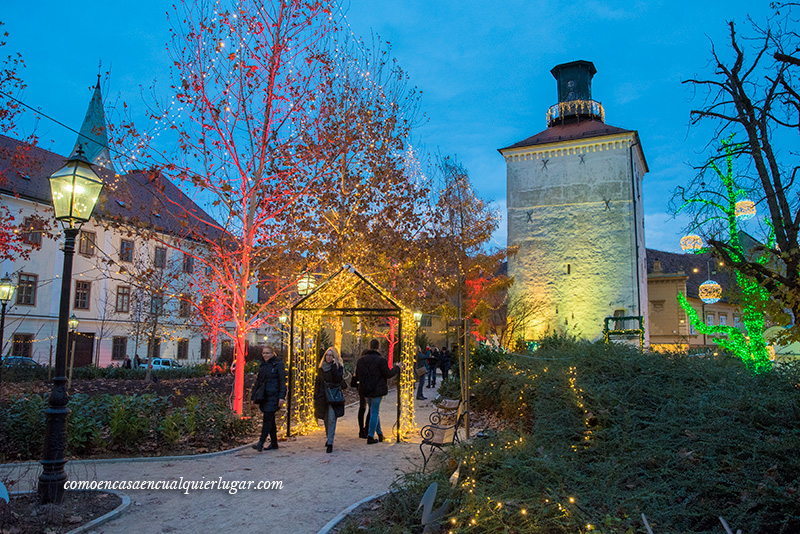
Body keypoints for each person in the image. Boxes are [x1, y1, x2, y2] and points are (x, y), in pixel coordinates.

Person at [356, 339, 401, 444]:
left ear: (369, 346)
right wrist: (397, 367)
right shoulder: (381, 360)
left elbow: (358, 375)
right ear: (378, 347)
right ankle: (370, 436)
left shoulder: (361, 360)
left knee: (373, 411)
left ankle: (380, 434)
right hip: (377, 390)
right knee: (374, 412)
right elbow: (388, 374)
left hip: (365, 390)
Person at [251, 346, 286, 452]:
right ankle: (274, 443)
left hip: (274, 396)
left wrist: (281, 396)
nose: (265, 355)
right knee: (270, 420)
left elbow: (282, 382)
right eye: (263, 353)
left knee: (267, 419)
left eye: (267, 353)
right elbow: (258, 382)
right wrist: (254, 396)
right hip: (264, 396)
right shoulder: (263, 365)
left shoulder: (278, 364)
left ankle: (261, 442)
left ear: (272, 353)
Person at [314, 347, 345, 453]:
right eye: (327, 355)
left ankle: (330, 442)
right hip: (322, 396)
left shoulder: (337, 367)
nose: (329, 357)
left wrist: (333, 366)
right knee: (325, 419)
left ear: (334, 357)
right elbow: (317, 383)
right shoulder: (321, 368)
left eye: (331, 355)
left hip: (333, 396)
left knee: (332, 418)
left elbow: (338, 379)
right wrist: (316, 396)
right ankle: (329, 437)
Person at [351, 351, 371, 439]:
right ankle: (366, 428)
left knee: (362, 408)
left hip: (361, 387)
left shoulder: (359, 363)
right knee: (370, 408)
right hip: (369, 387)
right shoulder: (369, 364)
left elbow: (356, 375)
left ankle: (362, 430)